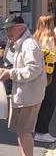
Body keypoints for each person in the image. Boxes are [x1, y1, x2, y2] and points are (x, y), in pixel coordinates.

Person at [0, 14, 45, 156]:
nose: (7, 33)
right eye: (6, 30)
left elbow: (33, 69)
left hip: (29, 94)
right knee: (21, 130)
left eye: (10, 29)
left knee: (25, 131)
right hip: (23, 93)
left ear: (20, 27)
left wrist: (10, 73)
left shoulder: (29, 44)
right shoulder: (20, 43)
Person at [33, 14, 56, 148]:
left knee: (40, 101)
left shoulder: (36, 36)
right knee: (49, 102)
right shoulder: (52, 38)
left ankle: (37, 128)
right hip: (51, 71)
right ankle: (42, 131)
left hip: (39, 71)